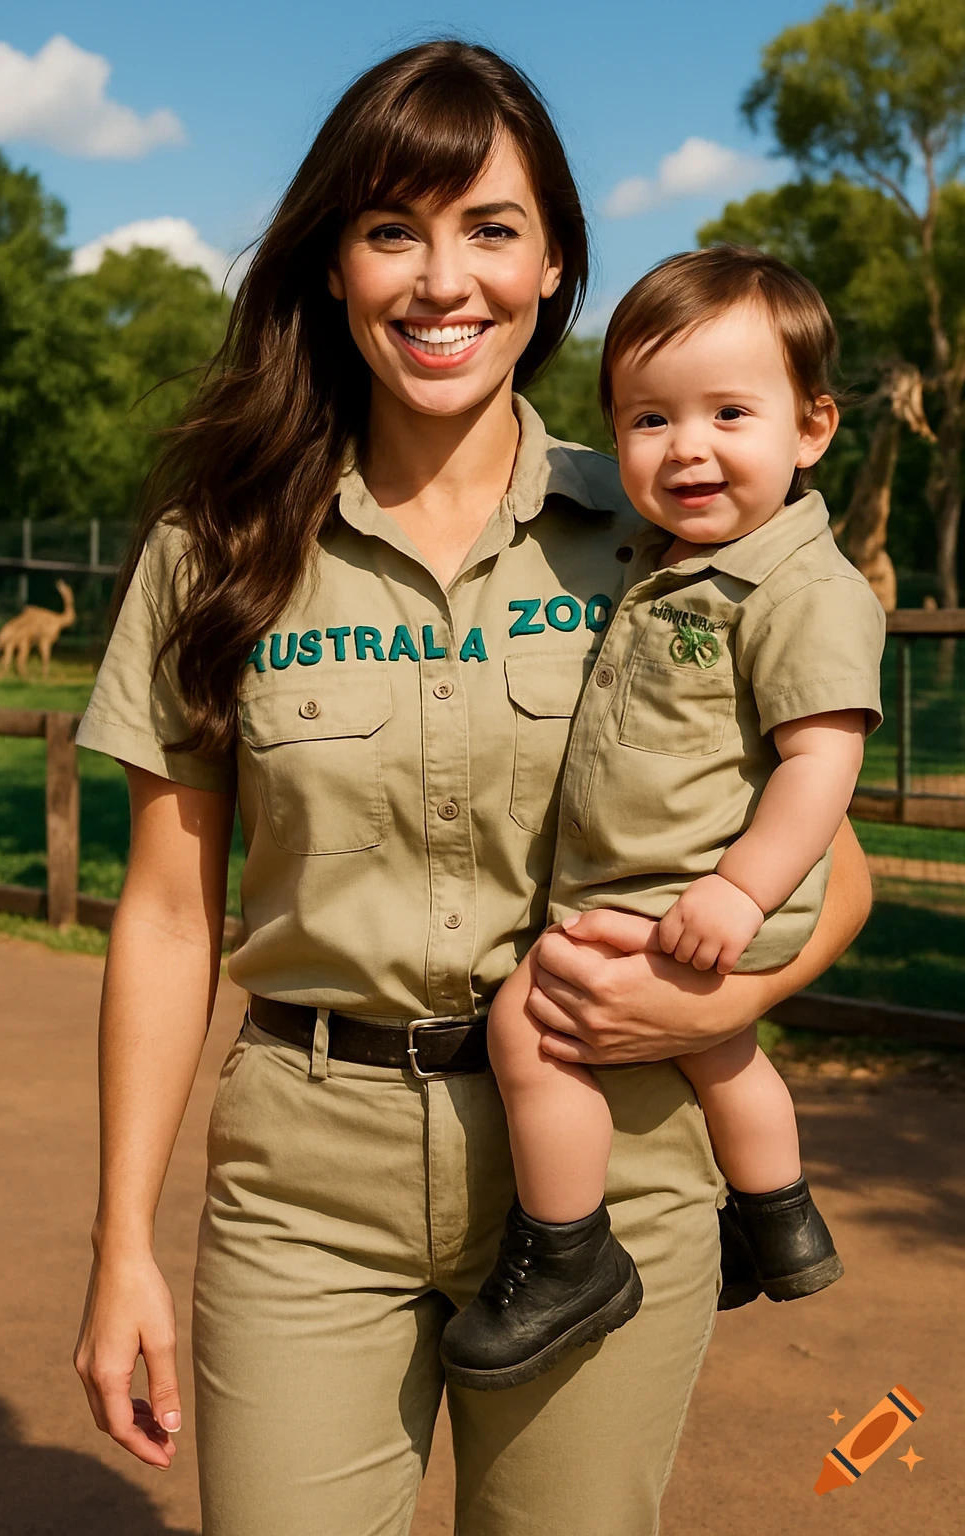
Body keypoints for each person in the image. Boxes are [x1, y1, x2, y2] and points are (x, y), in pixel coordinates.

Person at [72, 41, 873, 1536]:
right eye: (393, 230)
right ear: (332, 264)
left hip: (614, 1168)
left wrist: (718, 1000)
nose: (444, 282)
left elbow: (834, 850)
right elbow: (169, 915)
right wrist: (121, 1239)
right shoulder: (219, 548)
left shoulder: (664, 531)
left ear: (553, 260)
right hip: (309, 1186)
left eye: (490, 230)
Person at [441, 248, 885, 1393]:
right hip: (686, 884)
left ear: (812, 428)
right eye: (648, 418)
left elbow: (818, 766)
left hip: (706, 887)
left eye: (729, 413)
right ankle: (777, 1220)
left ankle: (567, 1249)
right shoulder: (670, 563)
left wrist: (737, 893)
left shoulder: (801, 588)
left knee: (532, 1022)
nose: (685, 446)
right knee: (717, 1047)